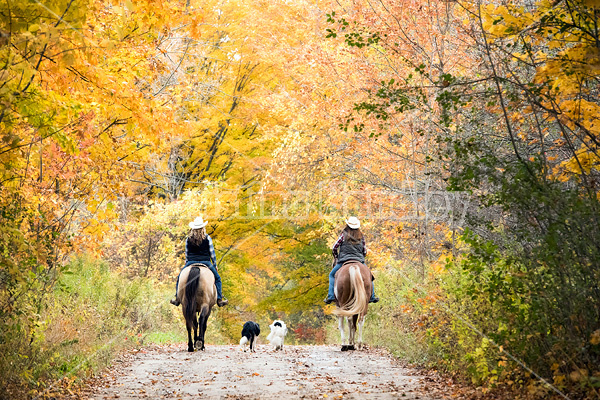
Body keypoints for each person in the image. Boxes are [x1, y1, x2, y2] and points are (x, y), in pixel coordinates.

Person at [170, 216, 229, 307]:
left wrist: (187, 261)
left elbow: (187, 252)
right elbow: (212, 253)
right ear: (203, 228)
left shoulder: (188, 239)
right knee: (218, 279)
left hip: (191, 262)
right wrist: (215, 264)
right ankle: (219, 299)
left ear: (193, 228)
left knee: (179, 278)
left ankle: (177, 298)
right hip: (206, 262)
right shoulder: (207, 238)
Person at [324, 216, 379, 304]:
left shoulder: (343, 235)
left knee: (332, 275)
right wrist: (361, 257)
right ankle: (372, 297)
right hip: (359, 260)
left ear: (347, 225)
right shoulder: (361, 236)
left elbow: (334, 247)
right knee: (370, 276)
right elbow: (364, 251)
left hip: (344, 260)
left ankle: (330, 296)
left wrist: (336, 257)